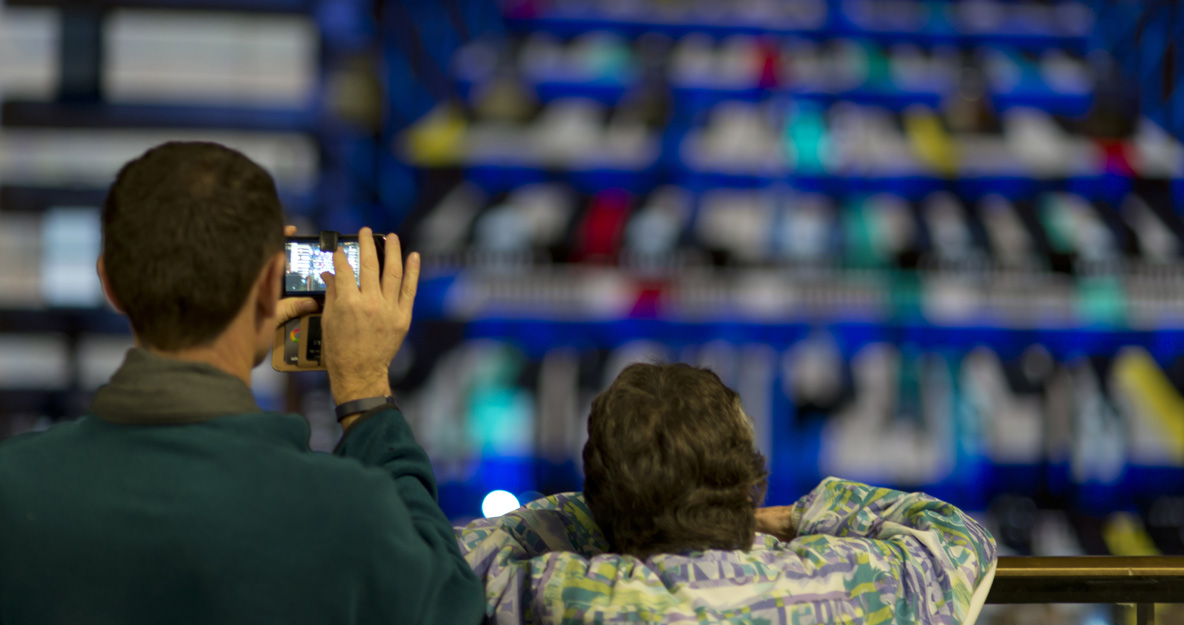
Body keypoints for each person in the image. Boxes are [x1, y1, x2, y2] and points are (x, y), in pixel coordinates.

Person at [0, 142, 483, 624]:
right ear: (274, 278)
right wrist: (364, 391)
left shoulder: (13, 488)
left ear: (110, 284)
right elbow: (447, 604)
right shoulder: (343, 513)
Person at [457, 362, 997, 624]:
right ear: (748, 484)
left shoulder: (560, 595)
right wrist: (795, 518)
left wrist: (603, 510)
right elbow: (955, 534)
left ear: (602, 498)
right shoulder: (850, 584)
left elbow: (458, 550)